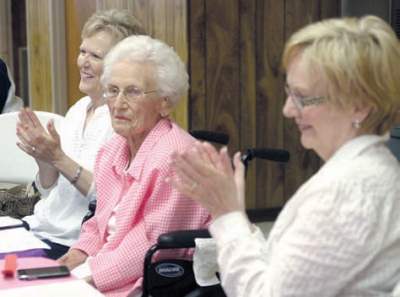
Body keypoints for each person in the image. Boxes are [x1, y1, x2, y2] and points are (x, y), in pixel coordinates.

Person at [169, 15, 400, 297]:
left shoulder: (346, 191)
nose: (288, 110)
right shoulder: (364, 172)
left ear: (360, 106)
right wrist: (236, 218)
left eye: (303, 97)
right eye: (289, 93)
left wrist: (226, 214)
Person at [58, 35, 210, 297]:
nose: (118, 104)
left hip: (151, 281)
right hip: (104, 269)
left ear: (165, 102)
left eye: (133, 91)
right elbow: (99, 222)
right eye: (113, 90)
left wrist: (85, 277)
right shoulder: (112, 150)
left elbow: (150, 243)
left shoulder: (178, 157)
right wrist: (76, 255)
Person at [16, 9, 145, 259]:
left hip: (75, 244)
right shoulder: (78, 109)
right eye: (82, 51)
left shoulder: (123, 121)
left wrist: (58, 157)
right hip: (40, 227)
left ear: (121, 66)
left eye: (95, 55)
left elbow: (111, 201)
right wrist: (42, 157)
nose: (83, 62)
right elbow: (49, 188)